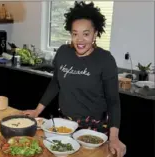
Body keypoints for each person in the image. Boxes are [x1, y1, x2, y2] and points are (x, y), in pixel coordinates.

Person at [23, 1, 126, 157]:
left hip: (92, 130)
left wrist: (114, 137)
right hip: (63, 126)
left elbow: (113, 101)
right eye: (74, 33)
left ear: (95, 33)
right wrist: (37, 110)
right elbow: (55, 83)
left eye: (86, 33)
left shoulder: (105, 60)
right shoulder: (63, 52)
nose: (80, 40)